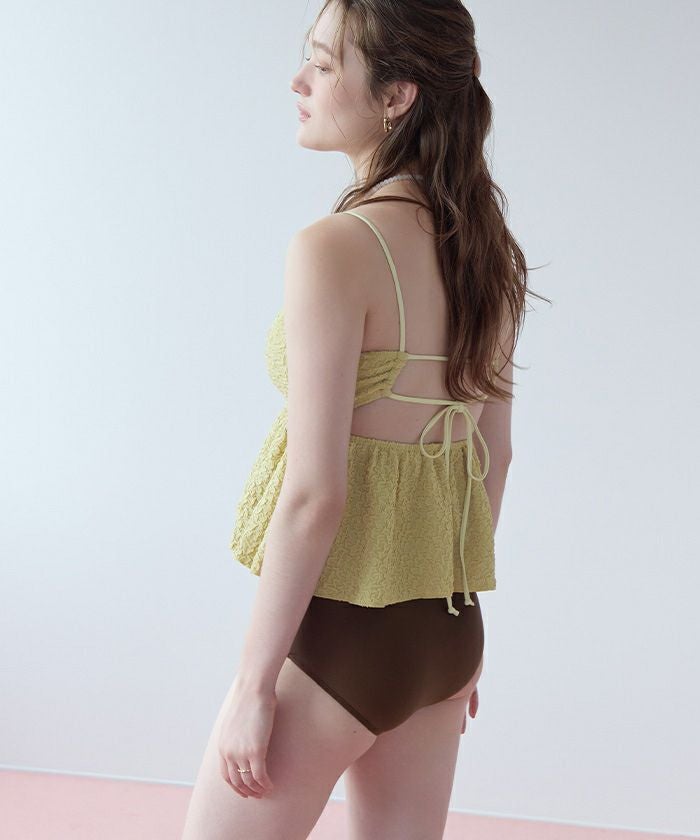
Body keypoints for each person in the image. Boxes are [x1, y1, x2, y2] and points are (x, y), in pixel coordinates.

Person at [182, 1, 545, 838]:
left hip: (340, 638)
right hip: (446, 633)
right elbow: (493, 455)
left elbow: (315, 494)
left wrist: (252, 687)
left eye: (322, 62)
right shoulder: (485, 251)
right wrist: (453, 627)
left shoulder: (335, 248)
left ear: (396, 95)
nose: (298, 80)